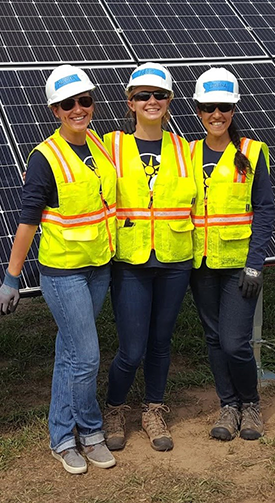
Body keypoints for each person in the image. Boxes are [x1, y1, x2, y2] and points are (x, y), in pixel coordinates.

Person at [0, 65, 118, 475]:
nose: (78, 109)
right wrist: (12, 279)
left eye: (85, 101)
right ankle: (91, 431)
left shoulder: (97, 143)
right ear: (55, 110)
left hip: (99, 267)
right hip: (64, 274)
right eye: (68, 104)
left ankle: (61, 436)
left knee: (70, 353)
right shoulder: (45, 159)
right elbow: (27, 221)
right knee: (87, 358)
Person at [102, 63, 196, 452]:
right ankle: (114, 408)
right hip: (131, 261)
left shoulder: (184, 148)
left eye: (159, 95)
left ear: (170, 101)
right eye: (143, 95)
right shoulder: (110, 146)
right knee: (132, 348)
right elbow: (71, 162)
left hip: (175, 258)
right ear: (130, 103)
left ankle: (154, 408)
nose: (152, 101)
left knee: (161, 341)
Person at [189, 67, 275, 441]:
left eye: (224, 107)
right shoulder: (187, 152)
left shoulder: (252, 151)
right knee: (212, 338)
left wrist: (255, 264)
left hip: (239, 266)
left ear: (234, 109)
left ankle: (250, 404)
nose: (216, 114)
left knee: (234, 342)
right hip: (200, 264)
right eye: (208, 107)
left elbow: (265, 209)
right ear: (198, 111)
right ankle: (228, 406)